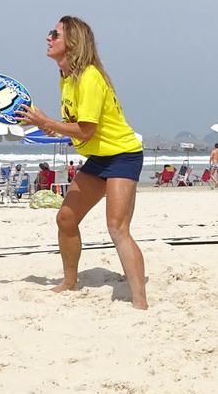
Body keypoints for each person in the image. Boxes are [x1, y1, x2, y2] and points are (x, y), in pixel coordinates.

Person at [16, 16, 148, 309]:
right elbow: (76, 127)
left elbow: (86, 129)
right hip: (99, 158)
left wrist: (47, 120)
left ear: (72, 43)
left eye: (55, 34)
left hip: (123, 155)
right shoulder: (67, 78)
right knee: (65, 218)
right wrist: (48, 126)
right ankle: (70, 282)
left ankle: (140, 303)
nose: (48, 38)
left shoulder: (89, 77)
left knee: (117, 228)